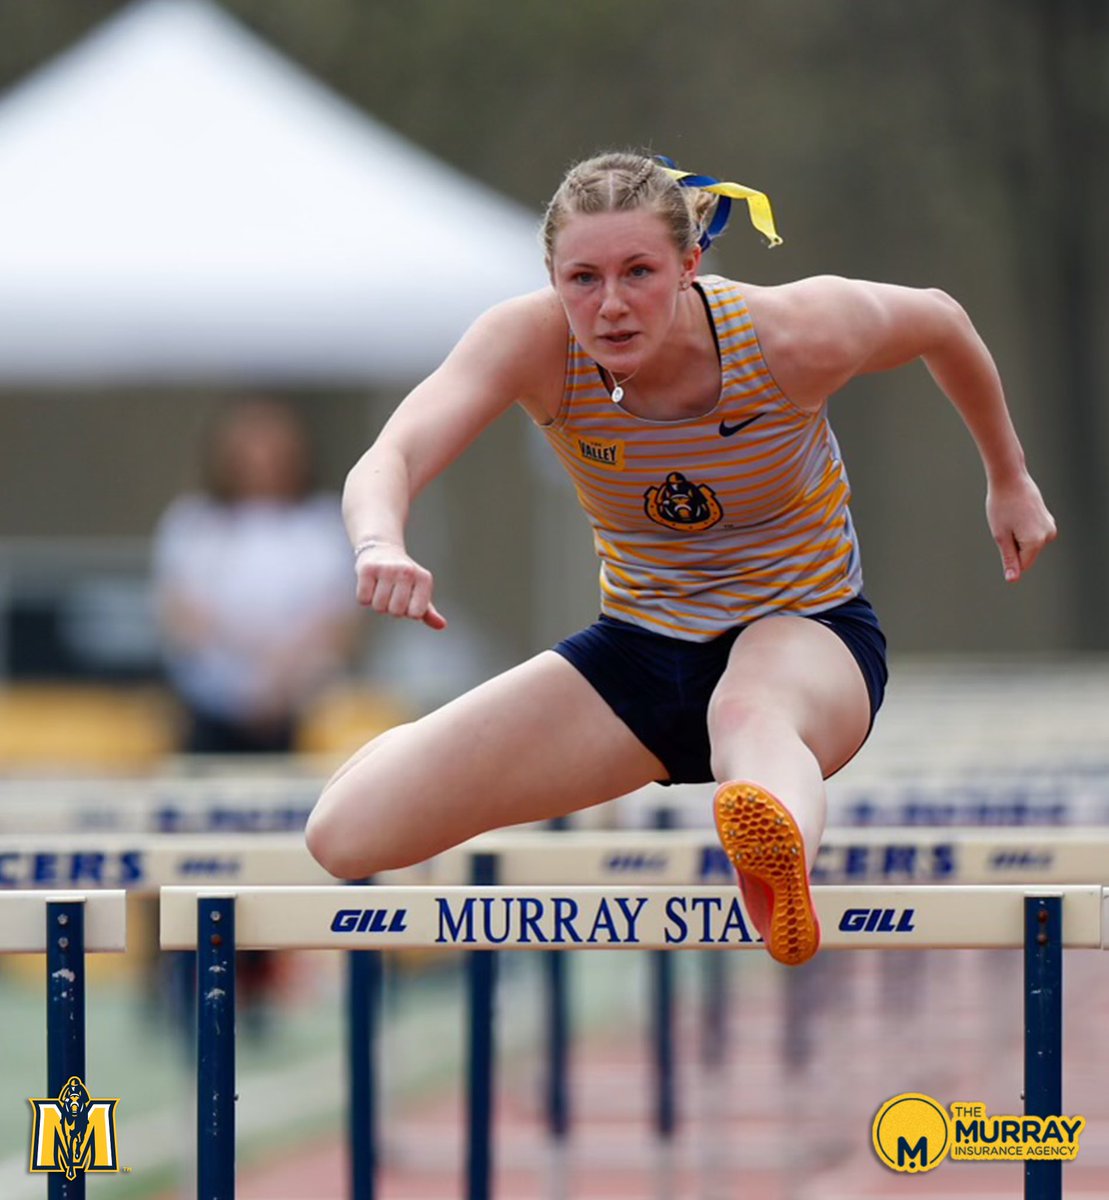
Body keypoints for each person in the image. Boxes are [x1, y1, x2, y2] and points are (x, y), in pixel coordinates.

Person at [305, 152, 1056, 966]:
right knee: (343, 836)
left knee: (747, 711)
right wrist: (381, 542)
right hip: (640, 652)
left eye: (639, 272)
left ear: (691, 263)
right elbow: (392, 456)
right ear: (552, 278)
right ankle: (416, 757)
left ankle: (777, 861)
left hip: (805, 633)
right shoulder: (529, 342)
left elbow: (940, 319)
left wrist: (1008, 479)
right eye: (582, 279)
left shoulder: (791, 335)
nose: (612, 305)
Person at [152, 397, 359, 755]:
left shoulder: (323, 524)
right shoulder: (195, 524)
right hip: (210, 705)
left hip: (301, 708)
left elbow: (337, 621)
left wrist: (281, 677)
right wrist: (244, 678)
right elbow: (180, 614)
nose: (260, 460)